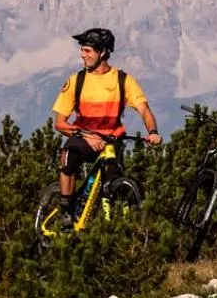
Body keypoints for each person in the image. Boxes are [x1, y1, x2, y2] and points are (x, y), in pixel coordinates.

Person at [51, 27, 161, 227]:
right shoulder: (77, 81)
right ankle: (66, 212)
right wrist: (87, 136)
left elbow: (144, 109)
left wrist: (153, 132)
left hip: (111, 140)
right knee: (68, 156)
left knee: (113, 187)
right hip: (84, 137)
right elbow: (59, 123)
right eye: (82, 50)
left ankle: (116, 229)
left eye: (87, 51)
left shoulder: (122, 80)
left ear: (102, 53)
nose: (82, 55)